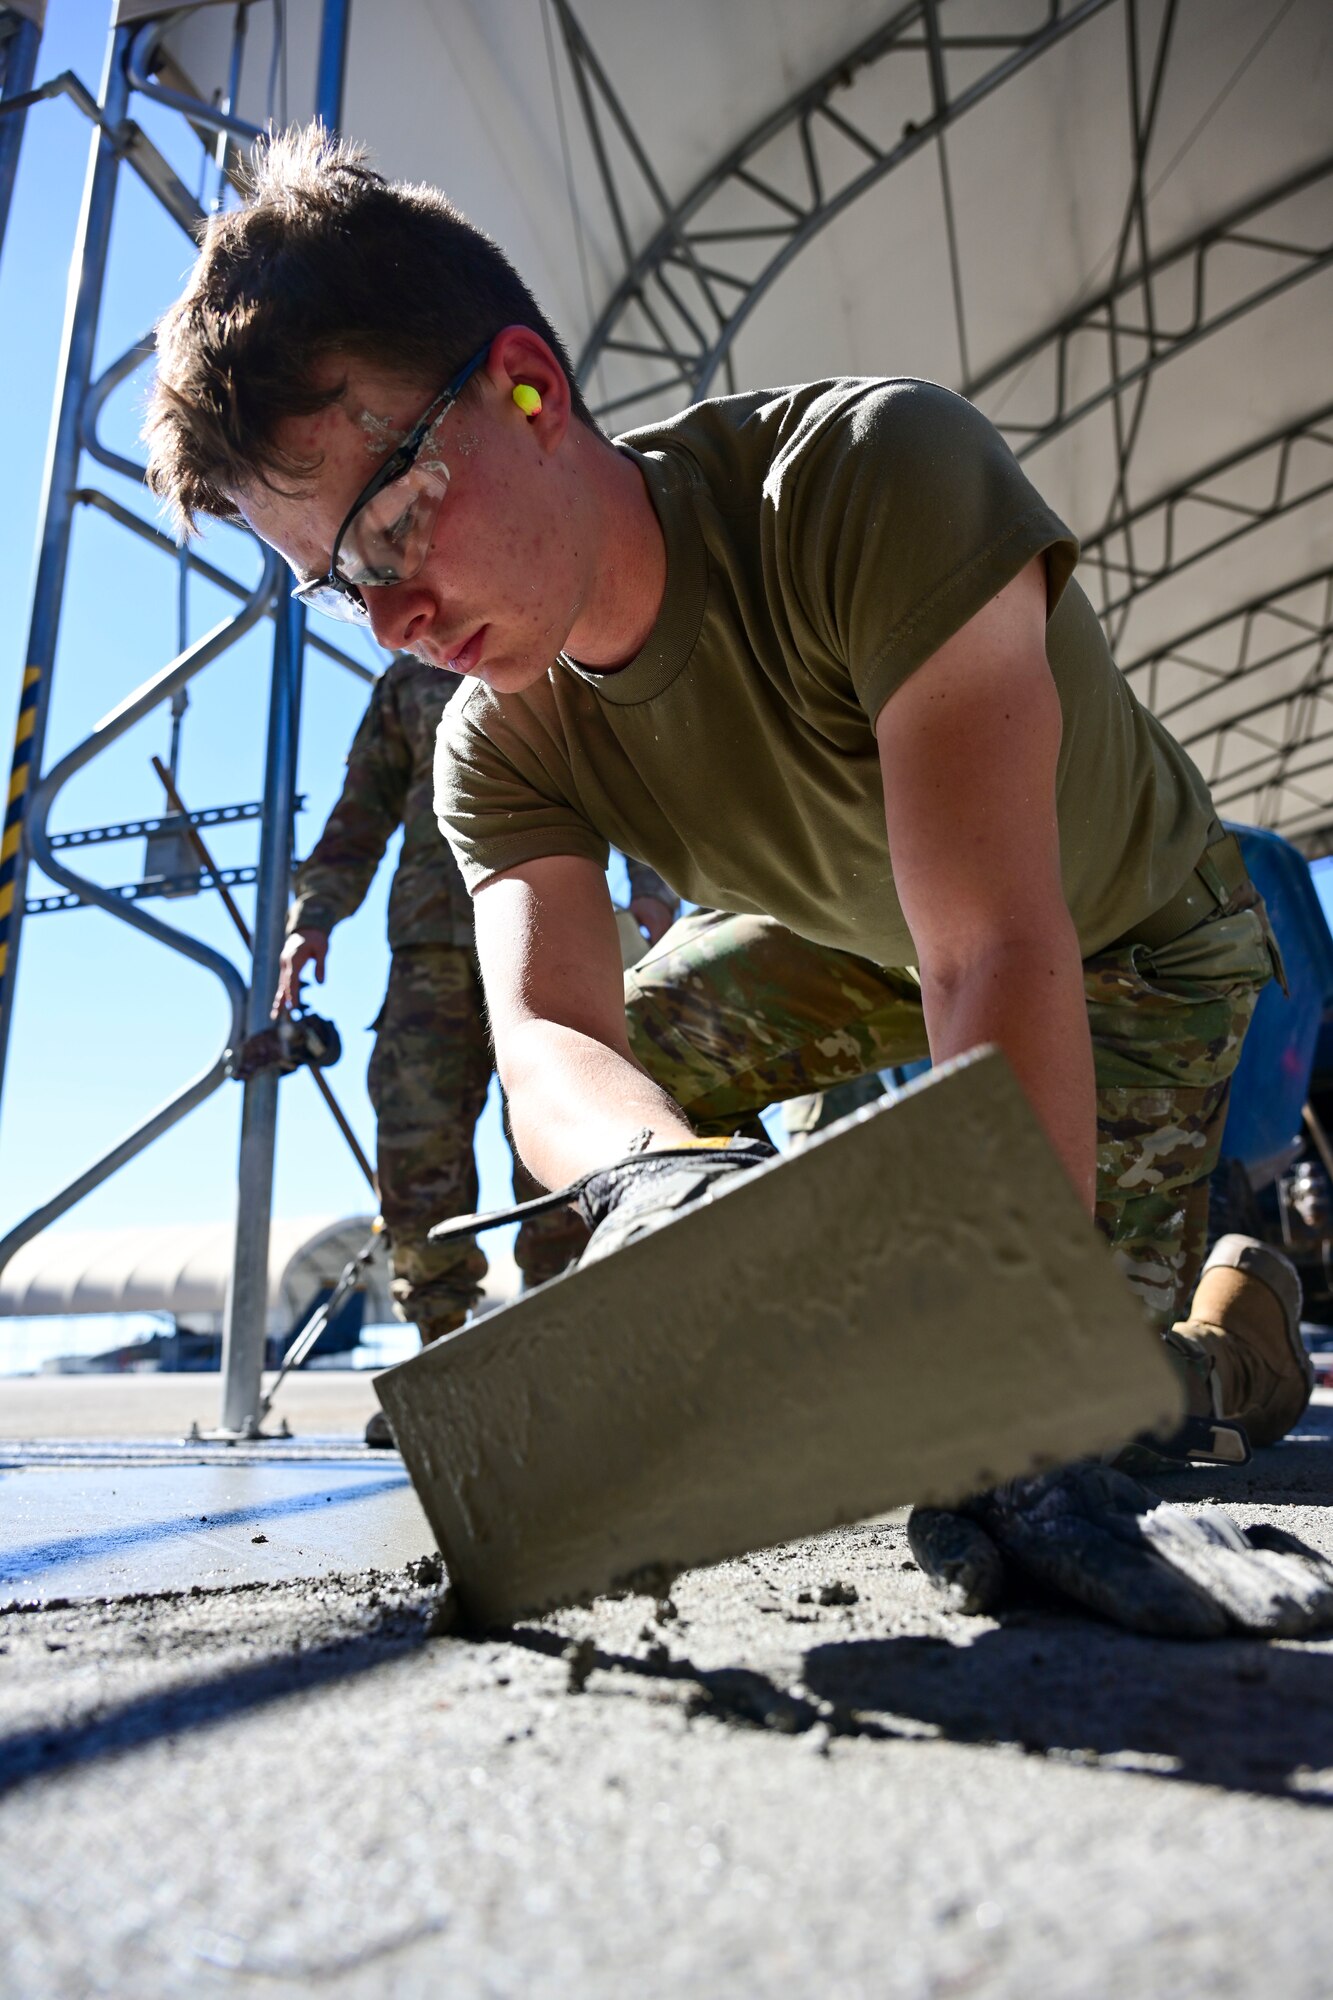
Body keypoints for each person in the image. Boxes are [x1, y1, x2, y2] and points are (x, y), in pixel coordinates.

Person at [144, 126, 1312, 1461]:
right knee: (627, 1104)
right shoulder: (496, 741)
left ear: (527, 388)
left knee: (1111, 1404)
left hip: (1125, 936)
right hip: (856, 931)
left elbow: (990, 943)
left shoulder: (870, 479)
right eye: (340, 583)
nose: (394, 616)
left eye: (395, 523)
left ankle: (1239, 1332)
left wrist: (1010, 1375)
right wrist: (658, 1189)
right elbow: (548, 1040)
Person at [274, 652, 679, 1384]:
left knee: (568, 1119)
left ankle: (565, 1353)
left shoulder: (557, 654)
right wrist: (315, 915)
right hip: (432, 946)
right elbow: (360, 811)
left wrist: (650, 882)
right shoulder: (408, 684)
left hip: (553, 927)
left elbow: (622, 775)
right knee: (417, 1137)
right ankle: (440, 1355)